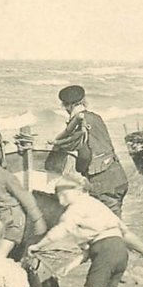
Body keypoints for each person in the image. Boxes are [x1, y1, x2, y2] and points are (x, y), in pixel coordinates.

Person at [27, 177, 143, 287]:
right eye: (56, 192)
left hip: (105, 252)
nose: (58, 195)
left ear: (79, 191)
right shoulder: (97, 206)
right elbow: (123, 234)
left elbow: (61, 230)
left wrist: (39, 245)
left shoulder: (75, 208)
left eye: (62, 192)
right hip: (119, 250)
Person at [50, 85, 129, 217]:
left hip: (103, 182)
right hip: (118, 176)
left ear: (67, 106)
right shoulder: (95, 117)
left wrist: (79, 170)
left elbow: (85, 156)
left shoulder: (78, 124)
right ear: (83, 101)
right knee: (114, 223)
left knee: (105, 226)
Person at [0, 141, 48, 257]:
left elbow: (25, 197)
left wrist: (38, 220)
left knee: (0, 255)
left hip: (13, 222)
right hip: (1, 221)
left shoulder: (6, 177)